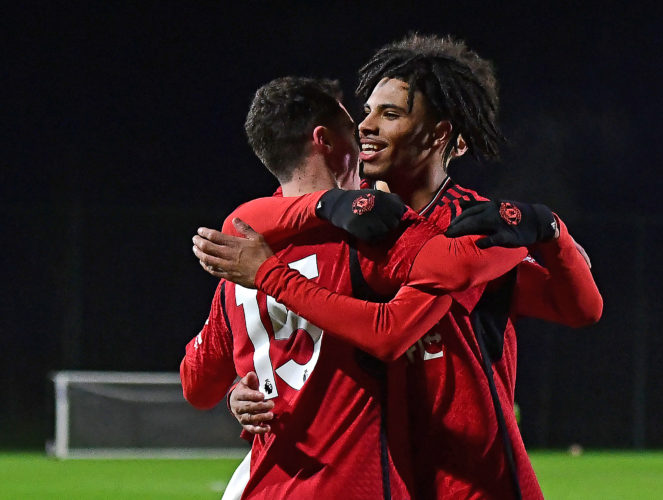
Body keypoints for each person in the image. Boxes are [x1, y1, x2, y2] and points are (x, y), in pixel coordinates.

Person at [194, 34, 602, 499]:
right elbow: (295, 323)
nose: (365, 126)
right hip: (380, 475)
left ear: (440, 133)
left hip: (468, 478)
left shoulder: (476, 227)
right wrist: (247, 390)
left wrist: (552, 231)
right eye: (366, 111)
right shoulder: (346, 219)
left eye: (389, 114)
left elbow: (580, 308)